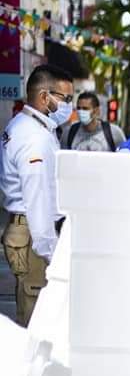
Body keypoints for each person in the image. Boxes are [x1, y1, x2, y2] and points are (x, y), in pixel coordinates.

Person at [1, 64, 75, 326]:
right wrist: (52, 253)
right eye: (66, 99)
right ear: (45, 97)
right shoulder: (35, 138)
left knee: (32, 308)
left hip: (25, 230)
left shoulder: (24, 125)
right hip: (34, 237)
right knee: (35, 322)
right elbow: (38, 200)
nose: (70, 107)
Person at [60, 92, 125, 152]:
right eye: (79, 108)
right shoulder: (69, 133)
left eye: (85, 108)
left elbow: (123, 158)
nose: (81, 112)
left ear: (96, 111)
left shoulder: (114, 133)